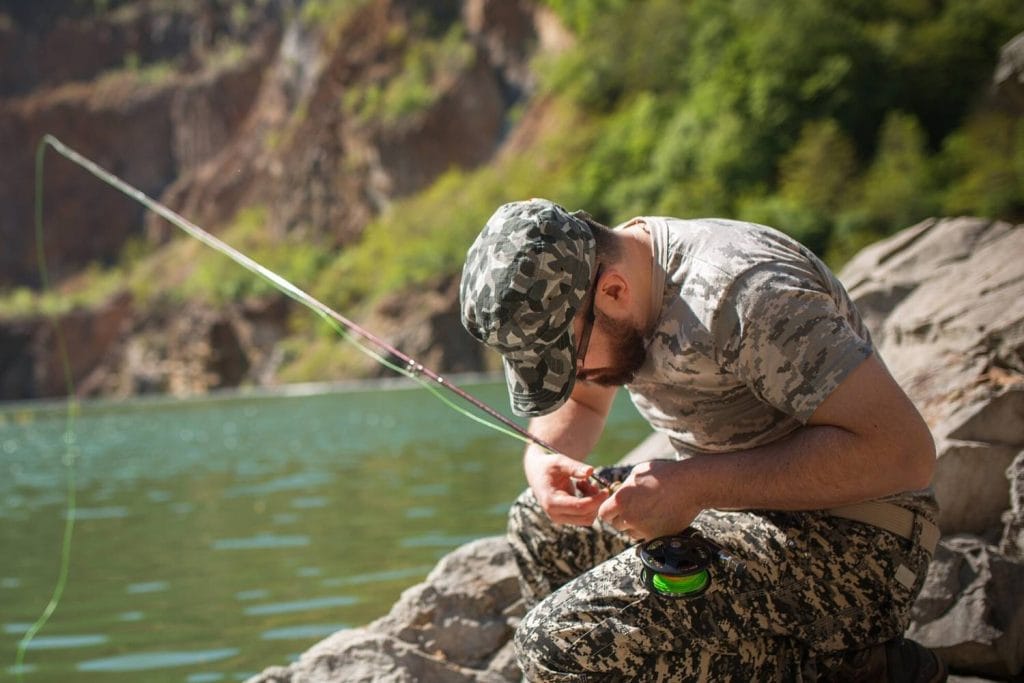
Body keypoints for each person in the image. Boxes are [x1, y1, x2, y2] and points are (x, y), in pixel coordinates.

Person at [459, 198, 946, 681]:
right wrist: (544, 455)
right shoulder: (603, 290)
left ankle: (847, 664)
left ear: (612, 291)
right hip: (730, 510)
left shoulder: (747, 293)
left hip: (859, 538)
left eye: (570, 360)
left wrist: (692, 486)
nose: (574, 377)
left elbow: (902, 453)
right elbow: (583, 403)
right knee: (540, 522)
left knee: (554, 643)